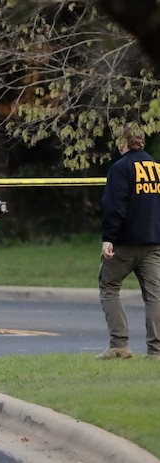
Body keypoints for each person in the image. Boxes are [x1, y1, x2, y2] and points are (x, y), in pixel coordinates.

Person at [97, 122, 160, 360]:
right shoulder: (156, 167)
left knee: (108, 286)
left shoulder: (121, 168)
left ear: (122, 142)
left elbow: (114, 206)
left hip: (126, 243)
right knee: (154, 295)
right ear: (142, 140)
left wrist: (108, 238)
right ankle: (156, 351)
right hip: (154, 242)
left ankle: (119, 345)